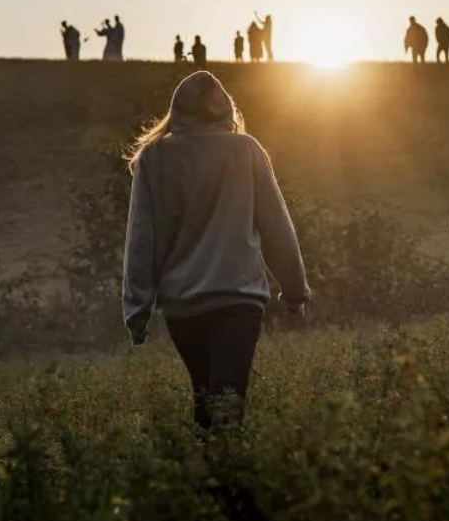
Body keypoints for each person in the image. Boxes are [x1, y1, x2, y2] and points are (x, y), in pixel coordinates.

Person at [123, 71, 310, 429]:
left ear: (177, 108)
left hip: (182, 305)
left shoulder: (154, 157)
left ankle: (208, 476)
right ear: (224, 107)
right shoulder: (246, 150)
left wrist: (137, 308)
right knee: (226, 404)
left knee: (208, 399)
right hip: (237, 300)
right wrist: (295, 289)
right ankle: (224, 479)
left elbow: (141, 238)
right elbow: (276, 226)